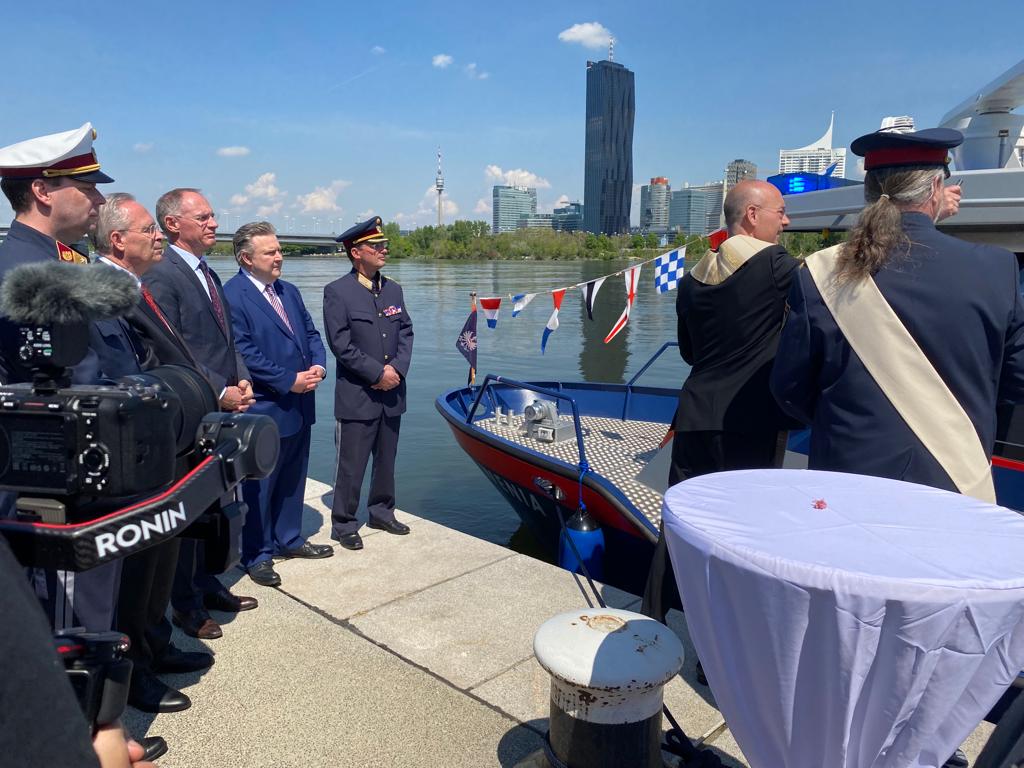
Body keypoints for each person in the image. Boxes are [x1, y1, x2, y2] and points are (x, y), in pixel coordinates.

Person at [771, 127, 1024, 496]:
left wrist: (849, 422)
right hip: (955, 480)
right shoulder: (996, 269)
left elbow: (790, 388)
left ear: (868, 190)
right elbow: (1015, 380)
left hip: (848, 480)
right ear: (936, 188)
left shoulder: (820, 273)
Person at [642, 180, 801, 635]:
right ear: (752, 215)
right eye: (780, 212)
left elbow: (690, 352)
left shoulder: (691, 278)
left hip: (695, 414)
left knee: (681, 524)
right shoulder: (776, 265)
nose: (786, 221)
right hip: (750, 421)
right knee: (740, 533)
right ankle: (724, 642)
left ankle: (652, 620)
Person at [0, 123, 129, 633]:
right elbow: (73, 379)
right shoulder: (23, 270)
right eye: (87, 186)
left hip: (87, 465)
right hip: (61, 478)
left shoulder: (60, 261)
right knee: (72, 621)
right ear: (42, 191)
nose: (99, 200)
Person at [92, 194, 214, 715]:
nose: (158, 236)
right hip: (134, 455)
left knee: (161, 556)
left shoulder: (135, 286)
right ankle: (135, 670)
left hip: (165, 443)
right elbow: (115, 375)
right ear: (119, 240)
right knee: (136, 570)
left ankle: (156, 643)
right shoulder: (99, 293)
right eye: (149, 229)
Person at [143, 188, 257, 641]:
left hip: (221, 410)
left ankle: (209, 584)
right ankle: (186, 607)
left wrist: (241, 378)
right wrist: (218, 390)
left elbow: (226, 340)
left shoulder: (207, 271)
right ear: (173, 224)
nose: (215, 223)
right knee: (188, 513)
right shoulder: (162, 274)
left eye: (213, 215)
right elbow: (170, 348)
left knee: (214, 506)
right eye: (204, 217)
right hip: (192, 412)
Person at [223, 222, 333, 586]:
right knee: (259, 485)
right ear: (246, 258)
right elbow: (244, 352)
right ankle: (257, 554)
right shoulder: (232, 295)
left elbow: (311, 334)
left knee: (292, 477)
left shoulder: (289, 291)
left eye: (279, 250)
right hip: (265, 407)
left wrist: (318, 366)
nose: (279, 257)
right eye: (270, 252)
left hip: (301, 404)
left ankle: (289, 538)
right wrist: (289, 380)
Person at [323, 217, 413, 551]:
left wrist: (397, 370)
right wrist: (378, 374)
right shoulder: (338, 292)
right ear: (356, 252)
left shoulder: (394, 289)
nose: (383, 250)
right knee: (351, 464)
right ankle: (344, 523)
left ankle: (381, 512)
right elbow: (341, 345)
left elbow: (406, 332)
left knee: (386, 461)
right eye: (375, 246)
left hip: (392, 393)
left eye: (383, 245)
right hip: (358, 395)